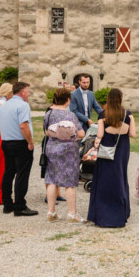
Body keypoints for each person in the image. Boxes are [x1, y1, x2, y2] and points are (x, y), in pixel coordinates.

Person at [87, 88, 135, 228]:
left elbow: (100, 134)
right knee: (120, 177)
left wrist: (95, 142)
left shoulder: (103, 114)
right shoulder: (128, 114)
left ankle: (103, 213)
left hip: (107, 149)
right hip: (122, 149)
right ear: (120, 98)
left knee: (104, 179)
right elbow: (132, 133)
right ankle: (121, 212)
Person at [42, 87, 85, 222]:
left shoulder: (49, 114)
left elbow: (45, 130)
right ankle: (72, 214)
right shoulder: (70, 115)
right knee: (70, 181)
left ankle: (51, 212)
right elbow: (81, 133)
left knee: (52, 179)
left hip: (52, 148)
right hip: (68, 150)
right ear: (67, 100)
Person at [0, 81, 37, 216]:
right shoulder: (23, 105)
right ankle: (20, 205)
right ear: (22, 92)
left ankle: (7, 203)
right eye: (28, 91)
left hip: (6, 142)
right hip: (20, 142)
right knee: (22, 174)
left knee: (8, 173)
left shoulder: (4, 105)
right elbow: (23, 125)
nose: (29, 93)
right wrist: (30, 142)